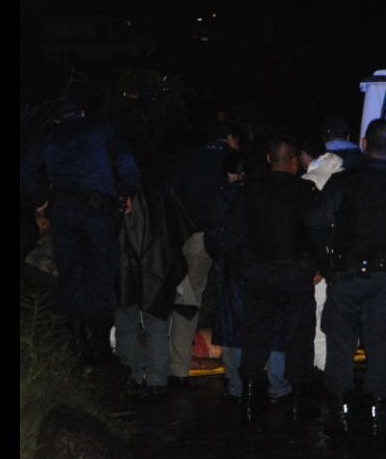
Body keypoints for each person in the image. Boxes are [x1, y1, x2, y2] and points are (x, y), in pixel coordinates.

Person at [20, 99, 140, 364]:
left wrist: (39, 201)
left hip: (64, 211)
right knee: (102, 275)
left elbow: (26, 168)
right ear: (82, 113)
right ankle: (100, 344)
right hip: (98, 210)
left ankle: (77, 342)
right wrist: (126, 192)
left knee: (72, 275)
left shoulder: (49, 134)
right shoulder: (101, 128)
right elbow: (127, 161)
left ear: (58, 119)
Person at [308, 119, 386, 434]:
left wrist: (326, 262)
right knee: (380, 340)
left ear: (364, 144)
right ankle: (377, 402)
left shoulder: (343, 182)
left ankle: (340, 404)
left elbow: (316, 222)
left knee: (340, 340)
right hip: (385, 274)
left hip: (346, 272)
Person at [225, 137, 321, 423]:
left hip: (259, 272)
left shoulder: (249, 190)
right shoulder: (305, 192)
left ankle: (249, 398)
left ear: (269, 159)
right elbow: (317, 233)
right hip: (294, 273)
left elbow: (235, 234)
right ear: (294, 161)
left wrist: (246, 265)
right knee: (298, 336)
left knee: (255, 333)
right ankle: (297, 402)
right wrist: (316, 266)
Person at [210, 151, 292, 402]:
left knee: (237, 327)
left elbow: (215, 236)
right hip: (267, 266)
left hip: (236, 269)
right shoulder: (268, 191)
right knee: (274, 325)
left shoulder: (227, 196)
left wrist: (222, 259)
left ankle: (238, 385)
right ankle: (278, 385)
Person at [168, 120, 239, 388]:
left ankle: (178, 368)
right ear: (230, 138)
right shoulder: (235, 160)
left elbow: (172, 196)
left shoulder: (189, 159)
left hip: (193, 236)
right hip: (226, 239)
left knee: (187, 299)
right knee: (230, 300)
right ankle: (233, 369)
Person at [115, 170, 194, 398]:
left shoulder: (117, 191)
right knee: (156, 322)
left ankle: (132, 375)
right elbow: (180, 227)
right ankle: (157, 379)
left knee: (126, 321)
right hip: (157, 264)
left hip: (124, 266)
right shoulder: (161, 188)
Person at [299, 135, 344, 373]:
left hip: (319, 260)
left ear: (305, 156)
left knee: (317, 313)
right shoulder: (345, 176)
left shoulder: (307, 181)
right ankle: (338, 364)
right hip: (344, 259)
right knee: (341, 312)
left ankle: (321, 365)